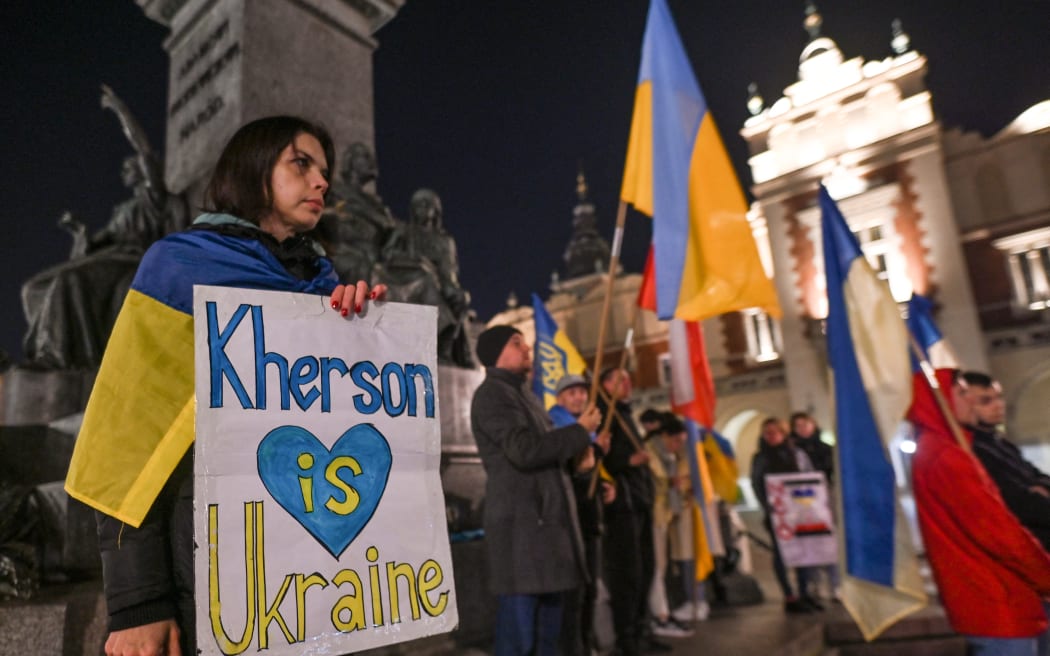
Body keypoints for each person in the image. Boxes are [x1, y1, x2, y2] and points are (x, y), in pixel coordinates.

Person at [63, 116, 387, 656]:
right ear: (253, 168)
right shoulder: (176, 265)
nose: (322, 182)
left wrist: (363, 330)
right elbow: (126, 438)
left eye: (325, 171)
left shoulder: (323, 282)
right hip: (207, 568)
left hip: (309, 575)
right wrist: (139, 603)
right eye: (301, 163)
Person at [21, 85, 188, 369]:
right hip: (108, 259)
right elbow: (90, 248)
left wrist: (119, 108)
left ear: (145, 171)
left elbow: (143, 147)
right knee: (33, 288)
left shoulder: (154, 199)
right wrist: (79, 233)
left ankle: (56, 357)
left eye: (130, 165)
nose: (124, 169)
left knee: (68, 283)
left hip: (132, 260)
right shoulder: (121, 211)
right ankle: (44, 351)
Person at [471, 327, 601, 656]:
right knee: (520, 636)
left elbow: (542, 456)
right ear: (495, 353)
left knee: (548, 639)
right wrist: (579, 432)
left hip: (544, 533)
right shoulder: (493, 394)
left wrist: (576, 466)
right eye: (516, 343)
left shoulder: (522, 394)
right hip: (523, 534)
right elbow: (524, 450)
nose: (527, 347)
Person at [909, 368, 1050, 656]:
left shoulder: (945, 450)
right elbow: (999, 532)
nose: (972, 402)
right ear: (939, 400)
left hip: (1000, 594)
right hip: (996, 597)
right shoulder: (948, 456)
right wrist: (1046, 575)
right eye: (962, 394)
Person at [597, 368, 668, 655]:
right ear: (604, 384)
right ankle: (627, 636)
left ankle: (642, 629)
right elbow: (601, 457)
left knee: (646, 569)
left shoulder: (624, 413)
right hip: (622, 505)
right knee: (628, 573)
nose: (626, 384)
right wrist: (630, 459)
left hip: (639, 500)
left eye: (628, 378)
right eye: (618, 380)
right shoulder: (604, 413)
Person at [549, 373, 614, 656]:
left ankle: (587, 646)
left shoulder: (585, 430)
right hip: (570, 525)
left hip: (590, 521)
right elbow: (569, 471)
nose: (578, 397)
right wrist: (596, 449)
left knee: (589, 592)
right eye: (571, 393)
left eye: (581, 392)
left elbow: (588, 473)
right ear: (560, 398)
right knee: (574, 597)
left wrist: (604, 486)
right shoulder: (557, 427)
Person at [955, 371, 1050, 551]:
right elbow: (1016, 500)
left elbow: (1035, 475)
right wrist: (1035, 491)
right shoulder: (971, 449)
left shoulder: (999, 442)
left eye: (998, 398)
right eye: (985, 401)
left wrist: (1040, 488)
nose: (998, 406)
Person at [749, 417, 817, 613]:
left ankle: (805, 592)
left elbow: (808, 477)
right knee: (780, 554)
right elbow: (757, 483)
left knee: (804, 554)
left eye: (774, 432)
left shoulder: (796, 454)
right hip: (776, 513)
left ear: (783, 433)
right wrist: (769, 505)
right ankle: (789, 595)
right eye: (767, 433)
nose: (770, 436)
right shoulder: (761, 458)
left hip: (799, 511)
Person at [313, 141, 398, 284]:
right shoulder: (335, 190)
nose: (372, 162)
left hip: (377, 255)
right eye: (365, 156)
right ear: (351, 161)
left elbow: (390, 228)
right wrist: (338, 214)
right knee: (358, 264)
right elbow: (317, 214)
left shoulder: (375, 202)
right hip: (344, 250)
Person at [645, 413, 694, 638]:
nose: (678, 446)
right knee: (656, 567)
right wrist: (669, 482)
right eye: (676, 441)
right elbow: (653, 482)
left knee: (661, 566)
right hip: (652, 516)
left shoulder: (669, 456)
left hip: (663, 516)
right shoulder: (650, 452)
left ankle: (662, 612)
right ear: (665, 436)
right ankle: (660, 615)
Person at [788, 411, 841, 601]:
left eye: (805, 425)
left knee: (829, 543)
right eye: (798, 426)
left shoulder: (825, 449)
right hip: (802, 503)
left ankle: (836, 584)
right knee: (808, 545)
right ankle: (815, 583)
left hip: (824, 500)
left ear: (813, 425)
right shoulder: (791, 451)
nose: (802, 429)